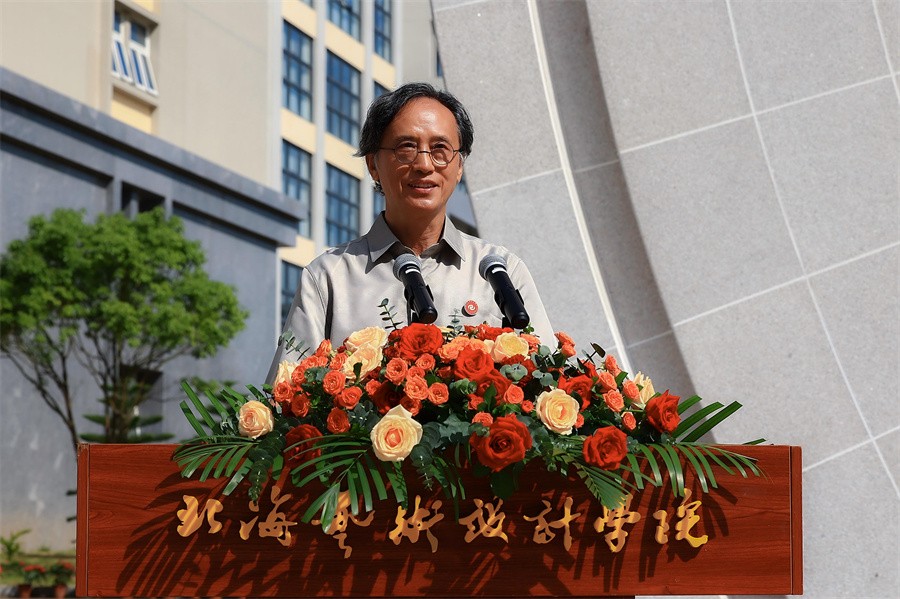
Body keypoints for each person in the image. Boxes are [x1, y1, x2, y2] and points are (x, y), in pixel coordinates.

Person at [267, 82, 553, 380]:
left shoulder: (502, 271)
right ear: (373, 164)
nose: (424, 164)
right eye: (406, 148)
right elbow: (286, 393)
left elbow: (551, 379)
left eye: (440, 149)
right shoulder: (329, 277)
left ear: (459, 166)